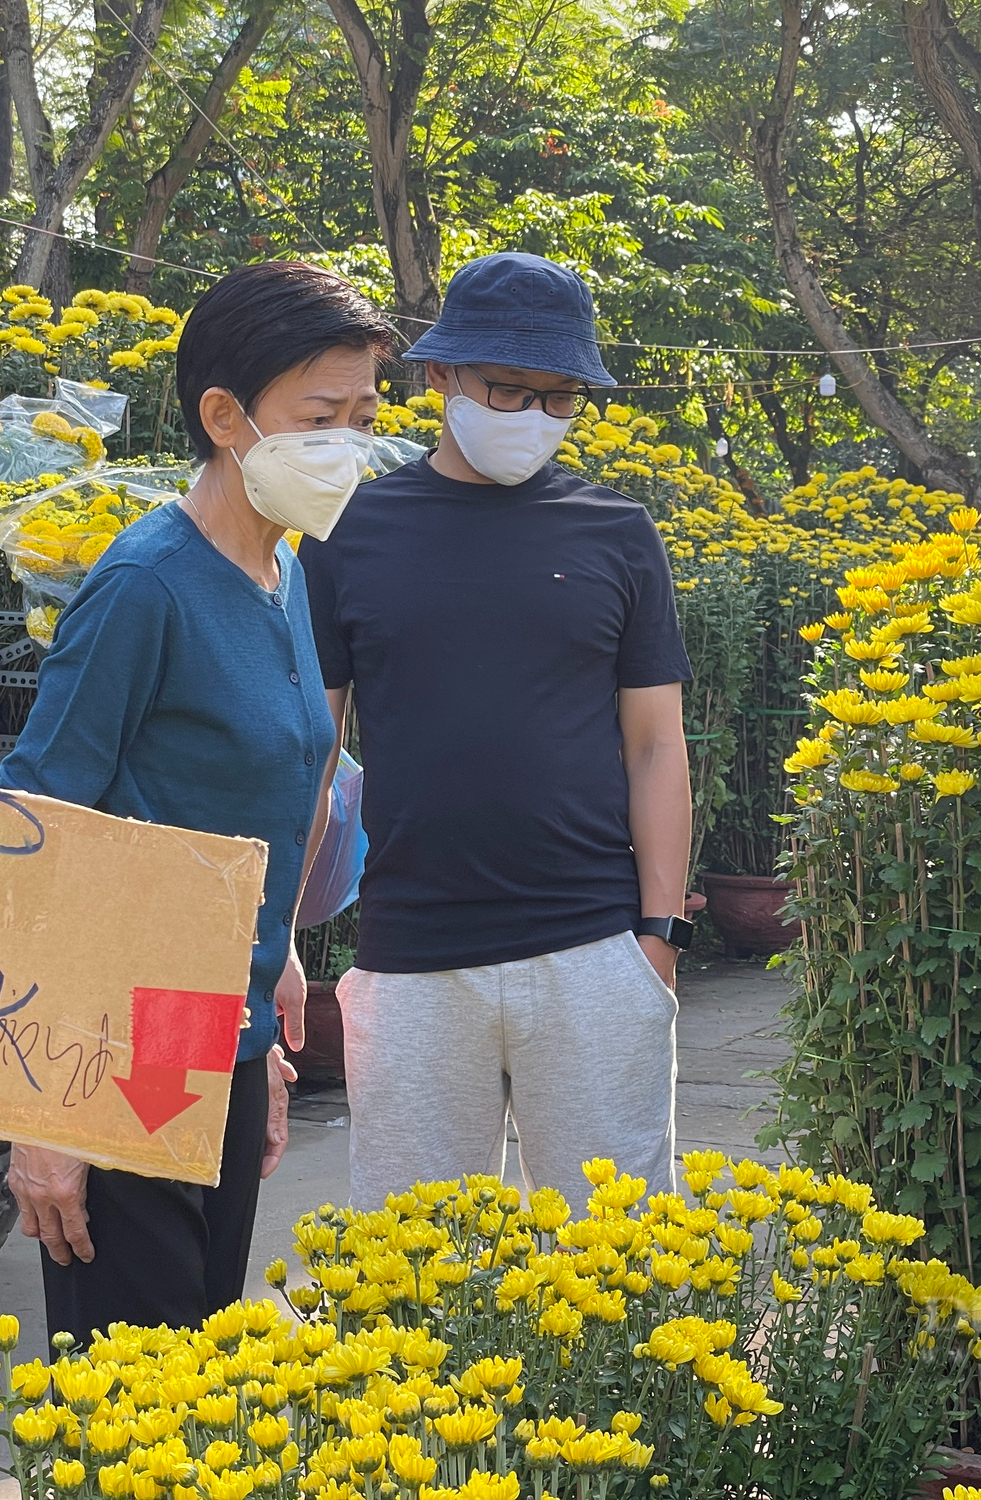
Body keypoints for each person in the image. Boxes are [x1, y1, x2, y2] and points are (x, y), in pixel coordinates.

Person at [0, 260, 370, 1338]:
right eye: (319, 417)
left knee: (199, 1367)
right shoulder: (144, 586)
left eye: (362, 416)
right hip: (126, 1035)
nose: (345, 444)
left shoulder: (287, 570)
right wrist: (42, 1117)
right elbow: (40, 828)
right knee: (136, 1383)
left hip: (224, 1025)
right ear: (223, 415)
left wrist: (275, 970)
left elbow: (272, 780)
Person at [299, 252, 693, 1212]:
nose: (533, 417)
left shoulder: (618, 533)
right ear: (440, 378)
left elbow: (656, 745)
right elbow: (310, 751)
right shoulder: (346, 531)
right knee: (413, 1278)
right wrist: (282, 943)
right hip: (411, 961)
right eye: (509, 391)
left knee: (627, 1271)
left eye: (559, 399)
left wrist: (659, 938)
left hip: (596, 952)